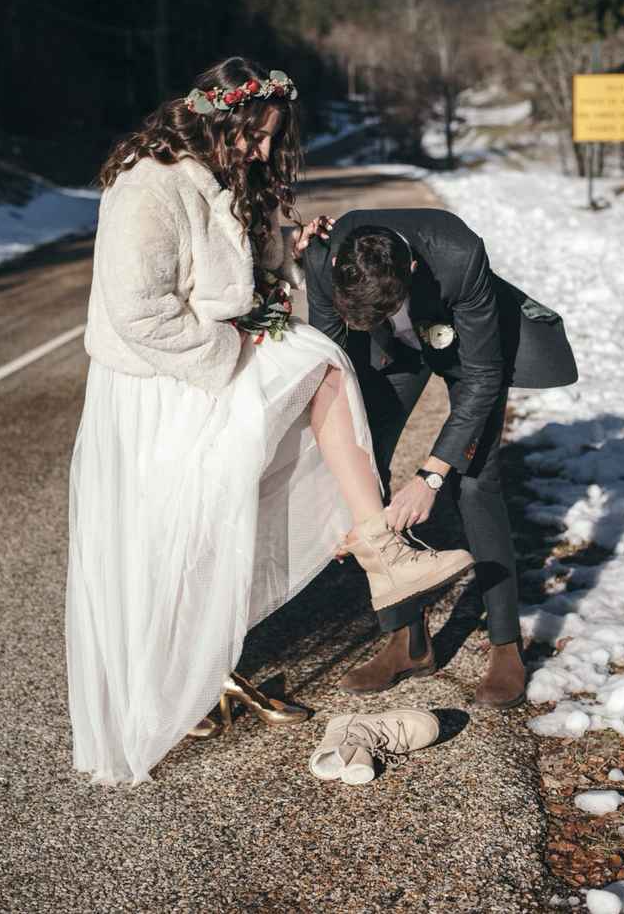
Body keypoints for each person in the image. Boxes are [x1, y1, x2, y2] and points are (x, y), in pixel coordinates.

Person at [65, 58, 470, 785]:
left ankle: (379, 551)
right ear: (215, 119)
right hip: (159, 380)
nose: (259, 150)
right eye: (252, 135)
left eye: (269, 138)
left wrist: (286, 251)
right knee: (181, 525)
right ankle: (181, 675)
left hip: (200, 365)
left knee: (313, 380)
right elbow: (140, 313)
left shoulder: (217, 177)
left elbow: (221, 273)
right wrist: (236, 343)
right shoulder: (149, 188)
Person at [304, 210, 578, 709]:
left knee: (474, 481)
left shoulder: (458, 254)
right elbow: (329, 367)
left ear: (409, 269)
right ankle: (407, 641)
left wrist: (430, 476)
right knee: (362, 469)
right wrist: (339, 502)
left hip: (464, 349)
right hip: (390, 353)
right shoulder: (323, 256)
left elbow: (482, 377)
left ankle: (506, 646)